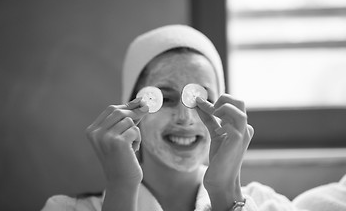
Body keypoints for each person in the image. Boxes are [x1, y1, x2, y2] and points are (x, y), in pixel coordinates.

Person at [41, 25, 300, 211]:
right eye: (164, 98)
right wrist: (121, 187)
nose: (185, 118)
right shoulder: (66, 208)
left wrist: (225, 195)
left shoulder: (265, 203)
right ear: (132, 108)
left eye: (199, 99)